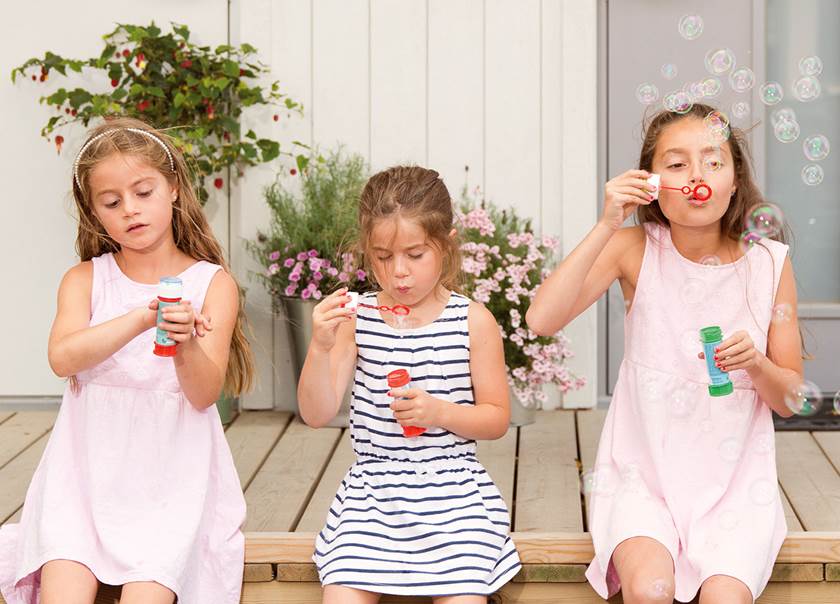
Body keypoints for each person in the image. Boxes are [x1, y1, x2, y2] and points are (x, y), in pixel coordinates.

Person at [527, 103, 803, 603]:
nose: (697, 176)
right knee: (650, 589)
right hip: (642, 477)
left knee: (725, 598)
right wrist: (608, 223)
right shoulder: (634, 248)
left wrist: (758, 365)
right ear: (650, 183)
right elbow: (541, 320)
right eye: (676, 164)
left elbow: (791, 398)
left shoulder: (768, 263)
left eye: (713, 162)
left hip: (735, 487)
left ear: (735, 179)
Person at [0, 117, 253, 604]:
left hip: (169, 487)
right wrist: (141, 318)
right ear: (94, 213)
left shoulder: (211, 285)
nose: (131, 211)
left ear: (174, 188)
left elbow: (203, 393)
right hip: (82, 484)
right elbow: (62, 357)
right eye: (112, 202)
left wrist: (184, 344)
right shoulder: (85, 280)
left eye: (143, 192)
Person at [298, 166, 521, 603]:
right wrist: (320, 347)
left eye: (415, 255)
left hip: (455, 496)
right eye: (382, 256)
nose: (398, 272)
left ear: (447, 245)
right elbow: (316, 413)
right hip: (373, 497)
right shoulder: (356, 319)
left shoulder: (473, 321)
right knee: (340, 594)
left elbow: (496, 420)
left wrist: (440, 412)